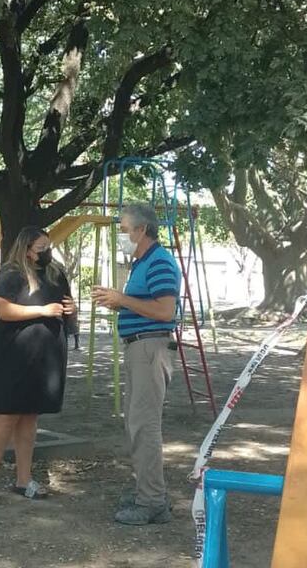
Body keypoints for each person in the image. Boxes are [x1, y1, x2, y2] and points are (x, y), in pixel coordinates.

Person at [91, 202, 180, 525]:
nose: (122, 235)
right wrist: (120, 304)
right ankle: (148, 490)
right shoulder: (143, 262)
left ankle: (152, 500)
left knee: (144, 425)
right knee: (136, 424)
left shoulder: (159, 262)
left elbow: (165, 312)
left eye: (125, 229)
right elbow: (147, 306)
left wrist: (123, 300)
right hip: (140, 348)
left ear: (142, 230)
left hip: (149, 349)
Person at [0, 226, 75, 505]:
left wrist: (71, 310)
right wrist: (41, 311)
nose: (47, 253)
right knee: (4, 416)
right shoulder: (10, 275)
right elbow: (2, 309)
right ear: (26, 249)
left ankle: (23, 479)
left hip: (45, 357)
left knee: (30, 417)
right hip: (11, 357)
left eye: (48, 247)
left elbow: (67, 304)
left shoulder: (56, 273)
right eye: (41, 248)